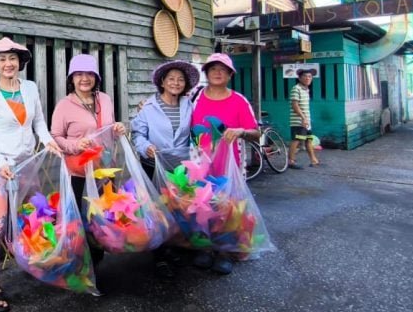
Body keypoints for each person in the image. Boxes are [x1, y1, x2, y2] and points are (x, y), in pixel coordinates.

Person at [0, 37, 61, 312]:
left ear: (20, 62)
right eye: (2, 59)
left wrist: (48, 140)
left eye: (12, 58)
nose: (8, 63)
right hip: (0, 169)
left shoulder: (30, 88)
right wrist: (0, 162)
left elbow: (38, 122)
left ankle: (31, 260)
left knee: (32, 213)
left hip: (27, 165)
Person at [50, 54, 126, 268]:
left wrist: (117, 129)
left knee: (101, 218)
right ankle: (83, 267)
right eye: (79, 74)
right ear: (71, 78)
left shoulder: (105, 99)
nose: (85, 78)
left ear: (96, 77)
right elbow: (55, 137)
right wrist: (75, 145)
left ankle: (96, 264)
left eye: (89, 74)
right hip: (78, 173)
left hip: (103, 170)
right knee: (80, 221)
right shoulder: (64, 105)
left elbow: (107, 131)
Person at [189, 52, 259, 275]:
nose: (217, 72)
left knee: (228, 207)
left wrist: (241, 131)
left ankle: (225, 251)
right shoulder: (195, 97)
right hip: (200, 163)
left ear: (230, 74)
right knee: (202, 205)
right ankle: (206, 248)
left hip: (231, 165)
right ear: (206, 73)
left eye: (223, 69)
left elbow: (256, 133)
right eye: (213, 69)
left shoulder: (239, 100)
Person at [131, 59, 200, 278]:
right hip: (154, 164)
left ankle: (174, 247)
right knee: (157, 209)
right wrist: (145, 147)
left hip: (180, 166)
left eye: (180, 80)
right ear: (162, 81)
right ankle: (159, 254)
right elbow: (137, 134)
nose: (176, 83)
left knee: (179, 207)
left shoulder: (190, 104)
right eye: (171, 78)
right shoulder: (148, 106)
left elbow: (196, 131)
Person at [288, 68, 320, 168]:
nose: (307, 78)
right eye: (305, 76)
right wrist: (303, 118)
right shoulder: (296, 89)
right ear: (299, 78)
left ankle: (314, 160)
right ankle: (291, 161)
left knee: (309, 140)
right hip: (298, 121)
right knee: (296, 140)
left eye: (310, 76)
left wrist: (307, 119)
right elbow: (295, 105)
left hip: (306, 121)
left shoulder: (306, 89)